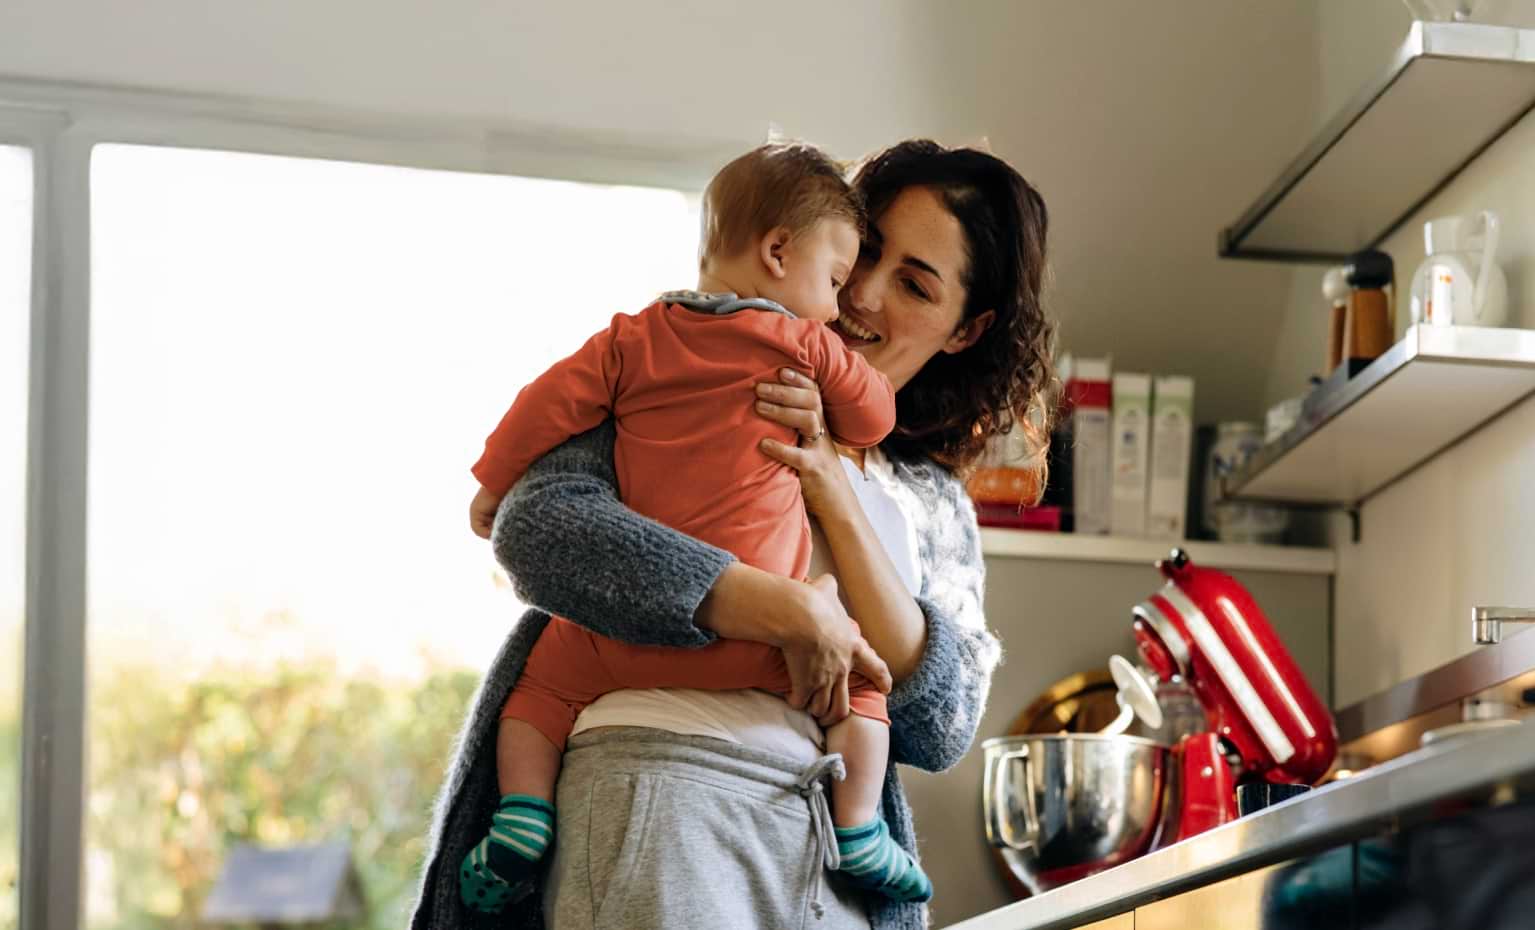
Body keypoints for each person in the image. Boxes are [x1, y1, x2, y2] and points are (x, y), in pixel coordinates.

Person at [411, 139, 1054, 930]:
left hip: (829, 864)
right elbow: (539, 529)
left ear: (964, 329)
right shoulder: (681, 368)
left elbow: (939, 725)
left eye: (914, 284)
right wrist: (781, 609)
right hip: (657, 808)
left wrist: (833, 491)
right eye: (866, 254)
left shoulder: (929, 501)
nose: (860, 294)